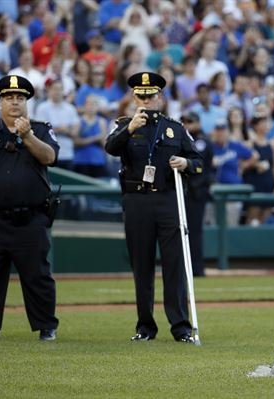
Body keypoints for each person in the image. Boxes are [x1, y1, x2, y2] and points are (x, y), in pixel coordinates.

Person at [104, 72, 203, 342]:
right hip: (137, 200)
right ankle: (145, 326)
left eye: (152, 95)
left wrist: (186, 164)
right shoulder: (125, 125)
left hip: (168, 199)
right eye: (141, 96)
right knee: (142, 265)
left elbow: (199, 162)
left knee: (174, 265)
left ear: (161, 97)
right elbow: (110, 148)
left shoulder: (175, 128)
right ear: (134, 97)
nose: (147, 100)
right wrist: (130, 128)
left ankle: (180, 326)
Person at [0, 75, 60, 341]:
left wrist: (27, 135)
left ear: (27, 102)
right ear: (0, 102)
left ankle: (46, 327)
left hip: (30, 218)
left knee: (38, 276)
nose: (15, 102)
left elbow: (50, 157)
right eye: (9, 97)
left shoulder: (40, 129)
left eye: (20, 97)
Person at [180, 111, 213, 277]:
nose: (187, 124)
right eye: (184, 121)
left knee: (194, 232)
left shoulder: (201, 140)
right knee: (181, 232)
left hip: (196, 192)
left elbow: (200, 166)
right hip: (183, 191)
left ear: (198, 123)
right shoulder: (182, 139)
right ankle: (185, 269)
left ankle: (197, 269)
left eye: (190, 121)